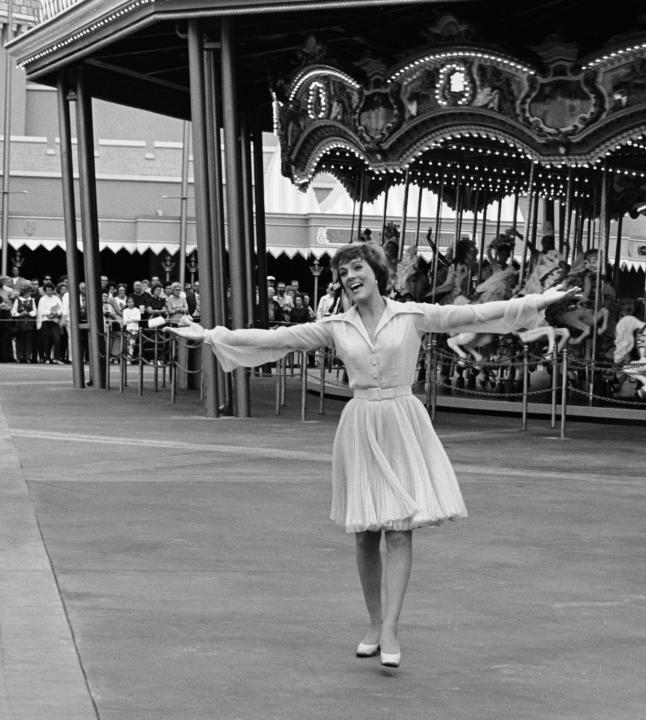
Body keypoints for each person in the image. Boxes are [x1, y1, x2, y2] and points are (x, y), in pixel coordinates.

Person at [165, 243, 578, 669]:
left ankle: (392, 629)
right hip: (361, 422)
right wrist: (211, 334)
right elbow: (277, 338)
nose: (349, 276)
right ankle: (373, 622)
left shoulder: (413, 315)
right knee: (365, 532)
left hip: (401, 420)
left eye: (356, 267)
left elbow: (478, 314)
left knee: (399, 529)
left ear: (376, 271)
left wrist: (543, 300)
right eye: (343, 272)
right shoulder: (335, 326)